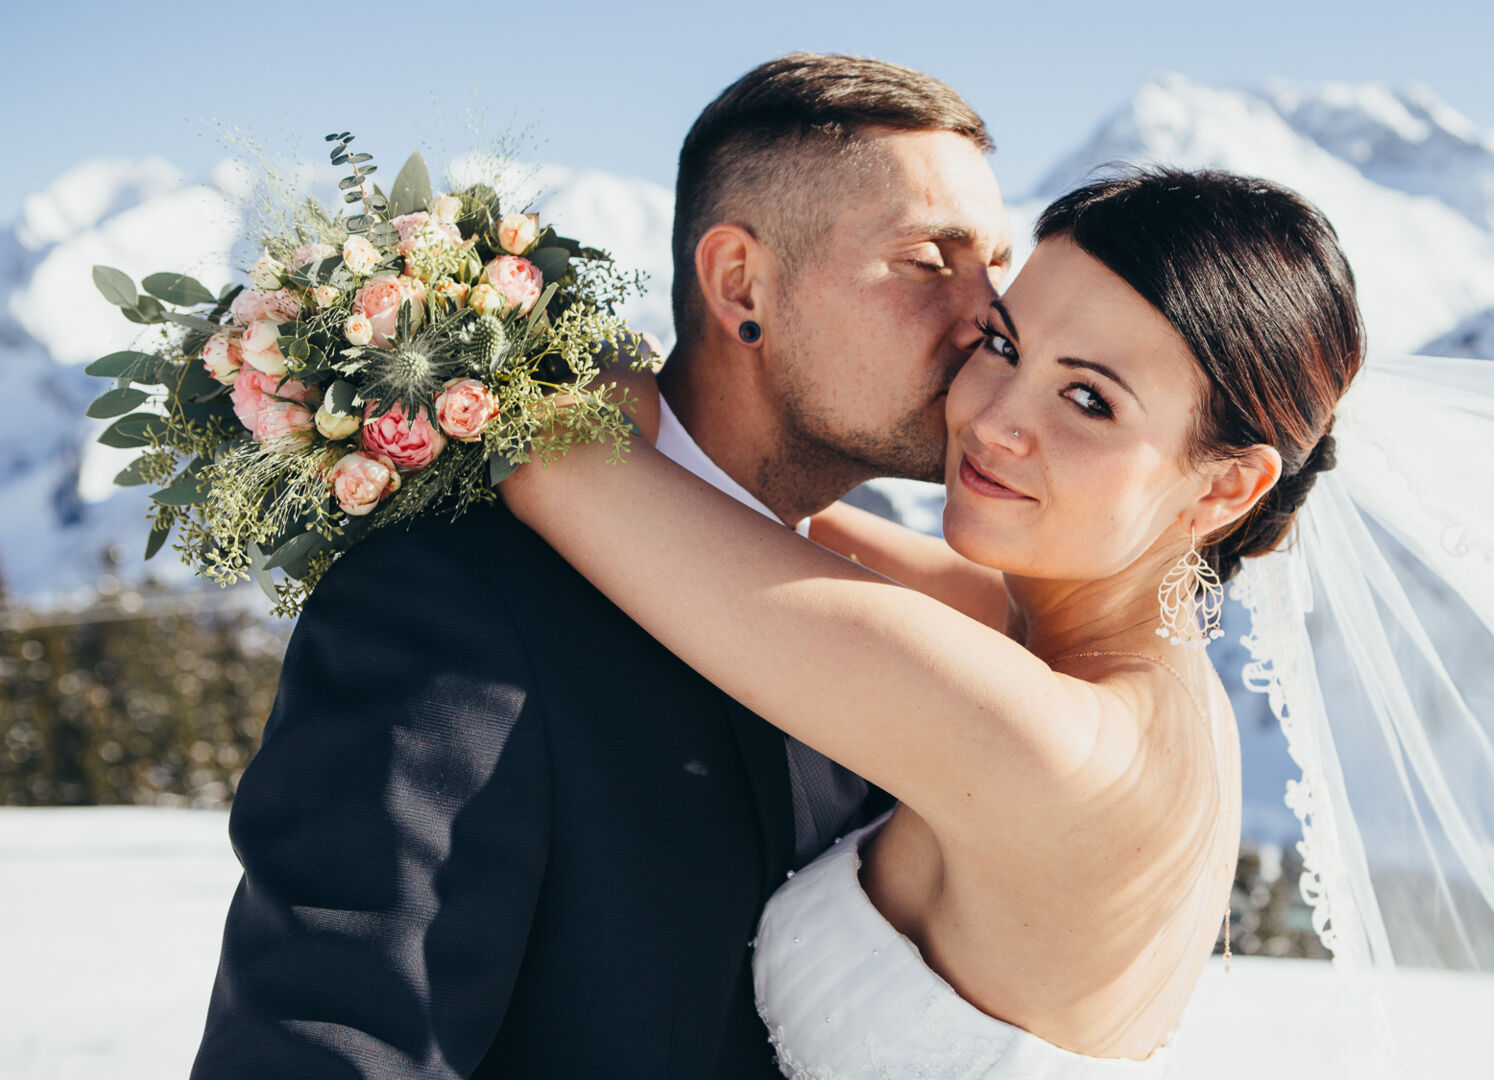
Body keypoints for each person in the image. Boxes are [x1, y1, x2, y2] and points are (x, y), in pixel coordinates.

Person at [191, 53, 1012, 1079]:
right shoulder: (455, 603)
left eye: (998, 267)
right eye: (932, 260)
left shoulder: (897, 626)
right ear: (741, 282)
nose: (992, 318)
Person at [501, 167, 1365, 1074]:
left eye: (1088, 400)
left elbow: (550, 456)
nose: (993, 421)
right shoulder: (1105, 662)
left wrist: (458, 300)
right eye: (1002, 343)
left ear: (1225, 486)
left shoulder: (1053, 743)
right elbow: (750, 503)